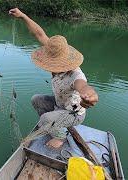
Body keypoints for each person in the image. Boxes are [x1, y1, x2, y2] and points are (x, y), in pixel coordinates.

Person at [9, 8, 99, 149]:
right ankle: (54, 126)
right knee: (36, 99)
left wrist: (90, 95)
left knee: (45, 119)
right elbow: (39, 34)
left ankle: (59, 137)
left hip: (73, 113)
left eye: (53, 64)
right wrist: (23, 16)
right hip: (59, 105)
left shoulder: (75, 75)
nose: (50, 67)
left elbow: (83, 86)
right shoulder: (55, 50)